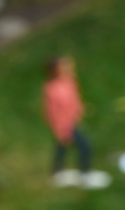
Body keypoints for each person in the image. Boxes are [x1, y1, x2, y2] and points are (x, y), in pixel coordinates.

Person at [43, 56, 111, 189]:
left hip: (72, 121)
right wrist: (61, 129)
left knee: (61, 147)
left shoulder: (69, 81)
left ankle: (57, 171)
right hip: (66, 125)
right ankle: (85, 174)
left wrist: (78, 112)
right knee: (85, 147)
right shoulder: (52, 89)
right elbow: (52, 112)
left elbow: (74, 98)